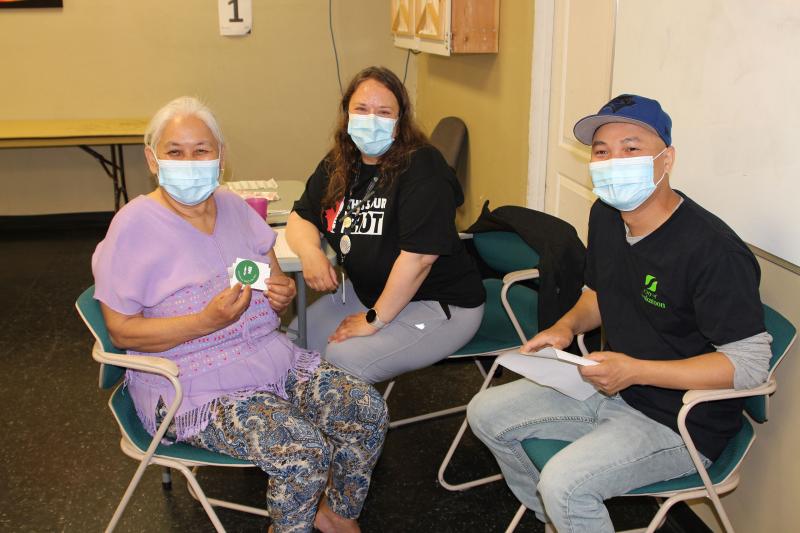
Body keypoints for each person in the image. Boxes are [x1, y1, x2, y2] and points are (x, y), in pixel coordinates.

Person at [467, 94, 772, 532]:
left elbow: (749, 366)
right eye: (602, 152)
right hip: (611, 385)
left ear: (666, 159)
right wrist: (564, 326)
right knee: (485, 413)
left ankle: (566, 511)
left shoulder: (712, 251)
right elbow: (598, 292)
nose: (614, 162)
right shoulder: (607, 216)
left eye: (631, 149)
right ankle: (559, 522)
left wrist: (635, 371)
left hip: (681, 419)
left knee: (566, 485)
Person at [92, 96, 388, 533]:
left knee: (366, 411)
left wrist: (281, 295)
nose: (189, 162)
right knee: (302, 450)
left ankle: (336, 514)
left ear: (221, 157)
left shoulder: (235, 208)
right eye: (175, 151)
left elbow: (273, 285)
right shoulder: (132, 227)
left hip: (268, 359)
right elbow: (120, 332)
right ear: (152, 160)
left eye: (201, 150)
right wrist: (204, 322)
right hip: (190, 385)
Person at [286, 66, 485, 384]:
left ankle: (351, 430)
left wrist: (374, 320)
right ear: (347, 114)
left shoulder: (422, 168)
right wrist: (310, 252)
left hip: (436, 304)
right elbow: (301, 216)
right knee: (297, 337)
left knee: (343, 360)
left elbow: (419, 259)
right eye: (362, 109)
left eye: (384, 112)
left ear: (400, 121)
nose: (371, 119)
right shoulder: (340, 163)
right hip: (370, 292)